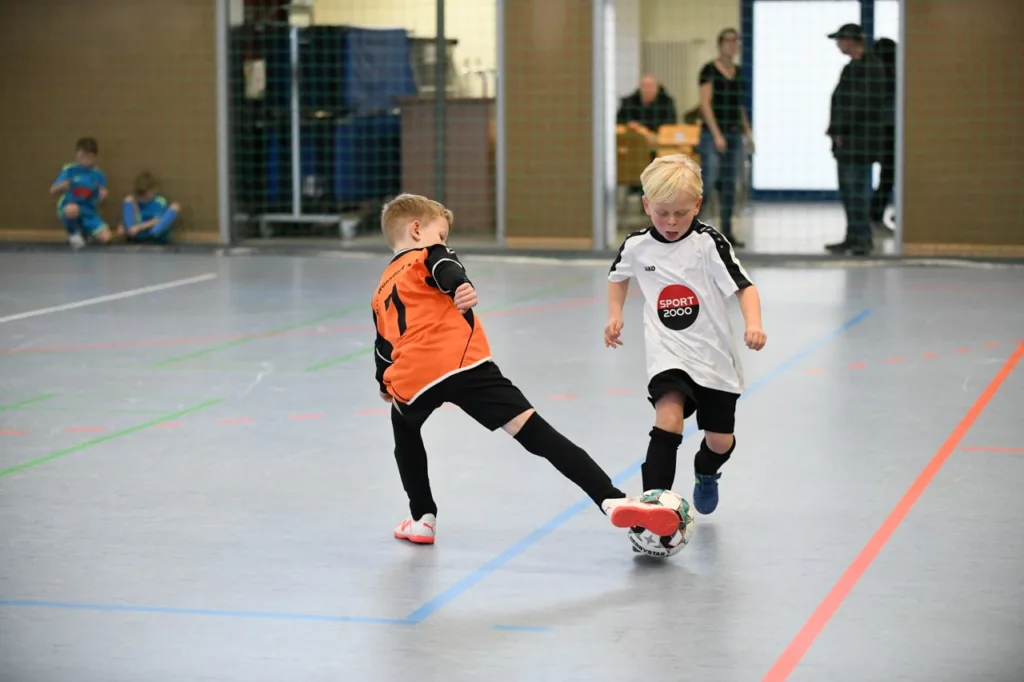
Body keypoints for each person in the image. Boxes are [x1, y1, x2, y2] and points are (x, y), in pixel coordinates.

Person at [371, 193, 680, 545]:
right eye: (441, 234)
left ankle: (422, 518)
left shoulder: (381, 289)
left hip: (412, 376)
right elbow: (444, 265)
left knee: (405, 432)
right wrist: (461, 286)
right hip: (461, 363)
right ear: (416, 230)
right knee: (536, 433)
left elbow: (383, 346)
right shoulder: (428, 253)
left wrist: (384, 381)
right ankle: (611, 499)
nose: (443, 242)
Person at [604, 154, 766, 515]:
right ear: (647, 205)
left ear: (698, 204)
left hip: (712, 357)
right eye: (662, 213)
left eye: (681, 212)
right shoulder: (636, 246)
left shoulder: (709, 243)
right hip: (668, 351)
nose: (672, 222)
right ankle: (654, 506)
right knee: (668, 416)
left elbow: (745, 287)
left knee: (720, 441)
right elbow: (617, 278)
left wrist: (752, 323)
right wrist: (615, 316)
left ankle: (705, 472)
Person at [825, 23, 888, 256]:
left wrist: (840, 128)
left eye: (840, 40)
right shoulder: (852, 67)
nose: (838, 44)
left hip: (860, 142)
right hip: (846, 141)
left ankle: (863, 238)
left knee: (857, 190)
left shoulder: (872, 67)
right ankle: (852, 237)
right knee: (848, 190)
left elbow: (863, 106)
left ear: (851, 40)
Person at [697, 28, 754, 249]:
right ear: (719, 44)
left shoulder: (738, 73)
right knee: (709, 181)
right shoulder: (709, 70)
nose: (732, 45)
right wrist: (717, 134)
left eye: (735, 41)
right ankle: (692, 232)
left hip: (733, 133)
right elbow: (705, 104)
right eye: (728, 41)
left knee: (730, 184)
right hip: (712, 135)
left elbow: (739, 105)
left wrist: (747, 131)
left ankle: (727, 232)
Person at [50, 137, 110, 249]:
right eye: (81, 157)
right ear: (76, 155)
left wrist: (103, 197)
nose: (85, 161)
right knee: (72, 209)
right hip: (69, 206)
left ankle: (86, 233)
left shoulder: (99, 175)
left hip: (88, 211)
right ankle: (73, 233)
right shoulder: (69, 170)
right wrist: (61, 187)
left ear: (95, 157)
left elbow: (101, 205)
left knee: (106, 237)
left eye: (88, 158)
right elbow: (52, 191)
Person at [870, 37, 897, 236]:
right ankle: (875, 217)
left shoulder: (879, 74)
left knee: (887, 177)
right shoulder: (889, 75)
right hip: (890, 131)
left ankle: (877, 217)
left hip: (883, 131)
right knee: (889, 176)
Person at [118, 171, 181, 244]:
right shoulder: (132, 201)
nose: (143, 198)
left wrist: (139, 227)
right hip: (136, 234)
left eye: (147, 194)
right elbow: (131, 216)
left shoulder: (159, 201)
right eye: (141, 195)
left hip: (154, 233)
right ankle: (132, 233)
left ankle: (151, 238)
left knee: (175, 207)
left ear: (153, 191)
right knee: (127, 199)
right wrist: (124, 225)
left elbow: (157, 220)